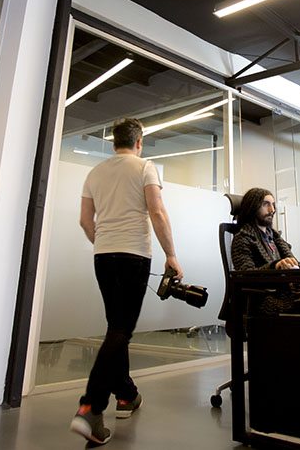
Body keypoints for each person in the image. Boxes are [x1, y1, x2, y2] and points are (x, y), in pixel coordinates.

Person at [70, 118, 184, 446]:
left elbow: (85, 220)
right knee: (121, 330)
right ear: (139, 142)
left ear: (113, 142)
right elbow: (157, 212)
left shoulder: (95, 173)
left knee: (116, 329)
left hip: (103, 257)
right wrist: (171, 254)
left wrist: (104, 242)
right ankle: (90, 408)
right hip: (134, 256)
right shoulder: (145, 167)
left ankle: (126, 395)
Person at [230, 188, 300, 316]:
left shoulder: (275, 238)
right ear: (252, 207)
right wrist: (275, 266)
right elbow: (245, 276)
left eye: (273, 205)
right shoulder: (242, 238)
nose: (272, 210)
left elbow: (298, 274)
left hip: (287, 294)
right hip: (265, 301)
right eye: (266, 204)